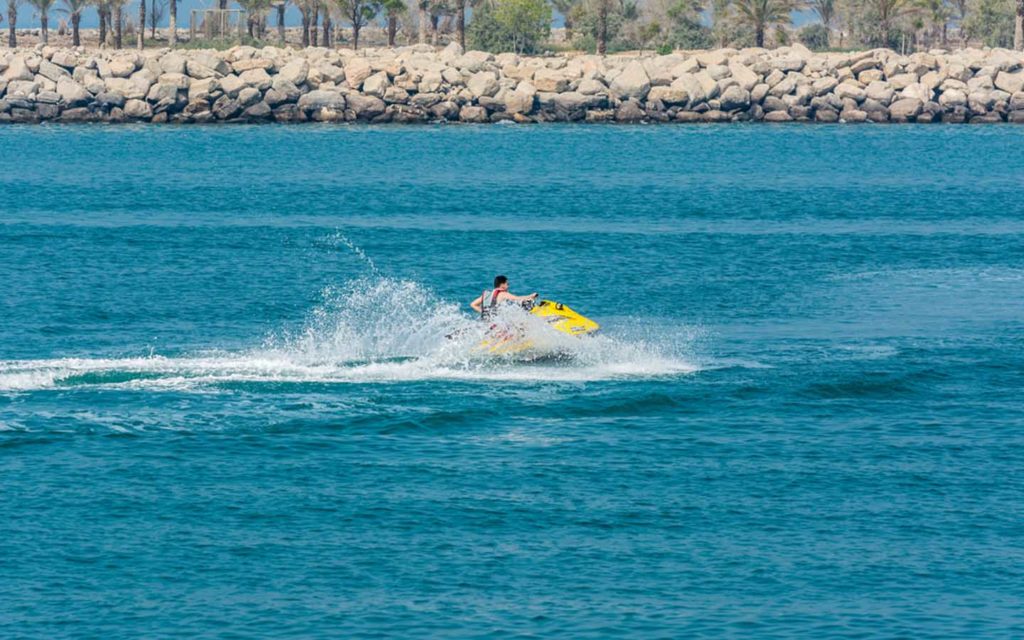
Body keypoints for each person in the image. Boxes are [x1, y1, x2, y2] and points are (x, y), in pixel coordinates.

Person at [470, 275, 537, 318]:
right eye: (507, 284)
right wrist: (531, 296)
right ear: (502, 285)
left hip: (486, 323)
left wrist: (484, 312)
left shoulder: (487, 294)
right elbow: (517, 298)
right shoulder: (503, 293)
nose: (508, 286)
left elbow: (473, 304)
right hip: (497, 326)